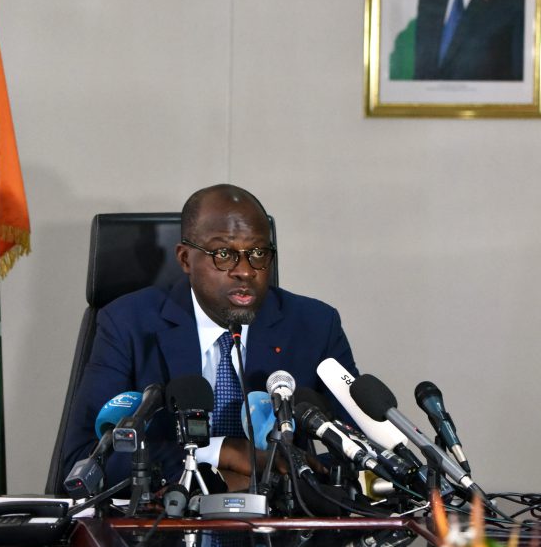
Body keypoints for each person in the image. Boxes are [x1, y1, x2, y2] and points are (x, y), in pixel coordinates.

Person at [62, 184, 358, 490]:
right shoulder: (127, 323)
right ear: (185, 259)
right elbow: (84, 459)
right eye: (224, 254)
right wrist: (222, 455)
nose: (245, 271)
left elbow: (363, 452)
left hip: (277, 526)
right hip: (166, 527)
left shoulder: (315, 325)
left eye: (257, 253)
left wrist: (284, 478)